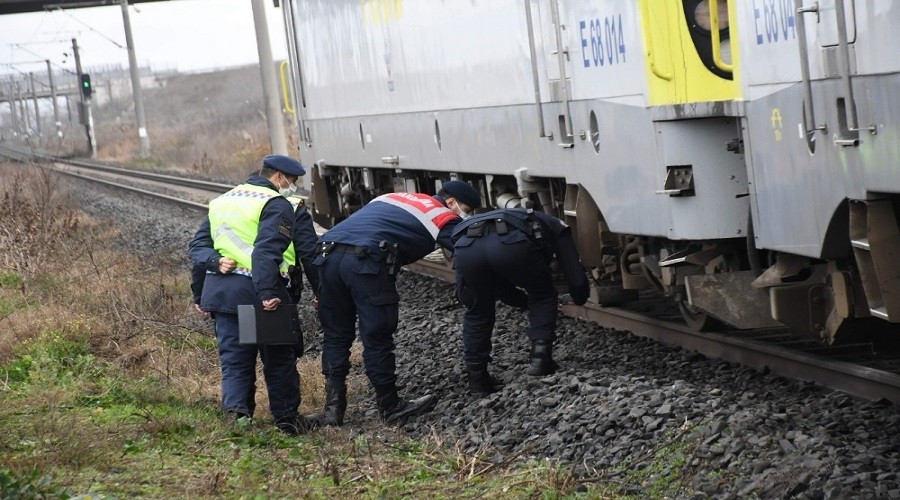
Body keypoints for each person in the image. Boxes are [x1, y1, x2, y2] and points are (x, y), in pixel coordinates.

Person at [310, 180, 481, 426]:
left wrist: (320, 289)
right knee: (377, 337)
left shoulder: (391, 197)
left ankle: (332, 410)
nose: (464, 215)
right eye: (465, 209)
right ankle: (390, 406)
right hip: (366, 263)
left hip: (326, 255)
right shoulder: (439, 213)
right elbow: (467, 248)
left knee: (336, 336)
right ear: (451, 202)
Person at [189, 154, 317, 435]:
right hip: (260, 294)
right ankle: (286, 420)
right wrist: (269, 292)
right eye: (292, 181)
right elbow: (271, 251)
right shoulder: (282, 204)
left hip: (224, 293)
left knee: (234, 360)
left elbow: (200, 247)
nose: (293, 186)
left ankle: (238, 420)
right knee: (278, 359)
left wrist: (200, 294)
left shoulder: (223, 202)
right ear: (279, 177)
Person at [451, 207, 590, 395]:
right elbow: (575, 276)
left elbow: (502, 290)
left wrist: (525, 302)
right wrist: (579, 297)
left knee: (478, 310)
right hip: (510, 243)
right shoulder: (557, 226)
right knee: (542, 293)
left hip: (465, 247)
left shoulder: (485, 220)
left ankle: (477, 380)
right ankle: (540, 360)